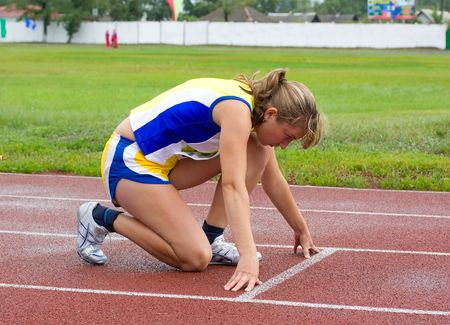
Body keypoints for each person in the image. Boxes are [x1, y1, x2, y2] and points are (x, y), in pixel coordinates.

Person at [76, 68, 326, 292]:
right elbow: (233, 185)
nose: (284, 145)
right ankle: (100, 217)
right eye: (288, 137)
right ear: (272, 113)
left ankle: (211, 237)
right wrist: (248, 257)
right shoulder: (237, 109)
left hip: (166, 164)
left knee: (259, 150)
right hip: (129, 160)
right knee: (194, 258)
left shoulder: (251, 110)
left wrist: (301, 229)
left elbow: (273, 179)